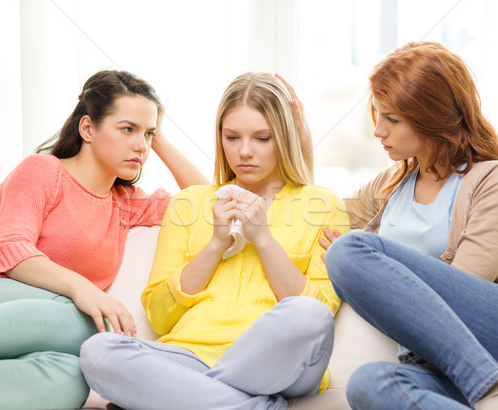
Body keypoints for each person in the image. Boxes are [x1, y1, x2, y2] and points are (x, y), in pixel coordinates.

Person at [79, 72, 350, 409]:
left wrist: (262, 238)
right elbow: (159, 316)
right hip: (189, 356)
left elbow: (321, 311)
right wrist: (214, 245)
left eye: (262, 138)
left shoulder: (322, 205)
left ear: (284, 136)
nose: (245, 152)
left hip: (278, 361)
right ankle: (250, 403)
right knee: (98, 353)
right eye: (232, 137)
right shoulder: (189, 203)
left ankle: (184, 398)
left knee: (310, 314)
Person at [317, 42, 498, 409]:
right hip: (441, 368)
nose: (379, 131)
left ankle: (497, 393)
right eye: (377, 115)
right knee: (368, 385)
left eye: (392, 119)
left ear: (433, 116)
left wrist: (362, 261)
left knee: (348, 251)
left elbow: (466, 286)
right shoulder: (390, 186)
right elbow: (315, 211)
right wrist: (296, 140)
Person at [0, 70, 208, 409]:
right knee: (96, 326)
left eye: (147, 134)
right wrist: (83, 289)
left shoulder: (126, 203)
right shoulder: (43, 170)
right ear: (88, 128)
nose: (141, 145)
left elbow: (207, 203)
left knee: (72, 377)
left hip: (37, 324)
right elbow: (8, 250)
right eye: (128, 129)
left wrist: (158, 135)